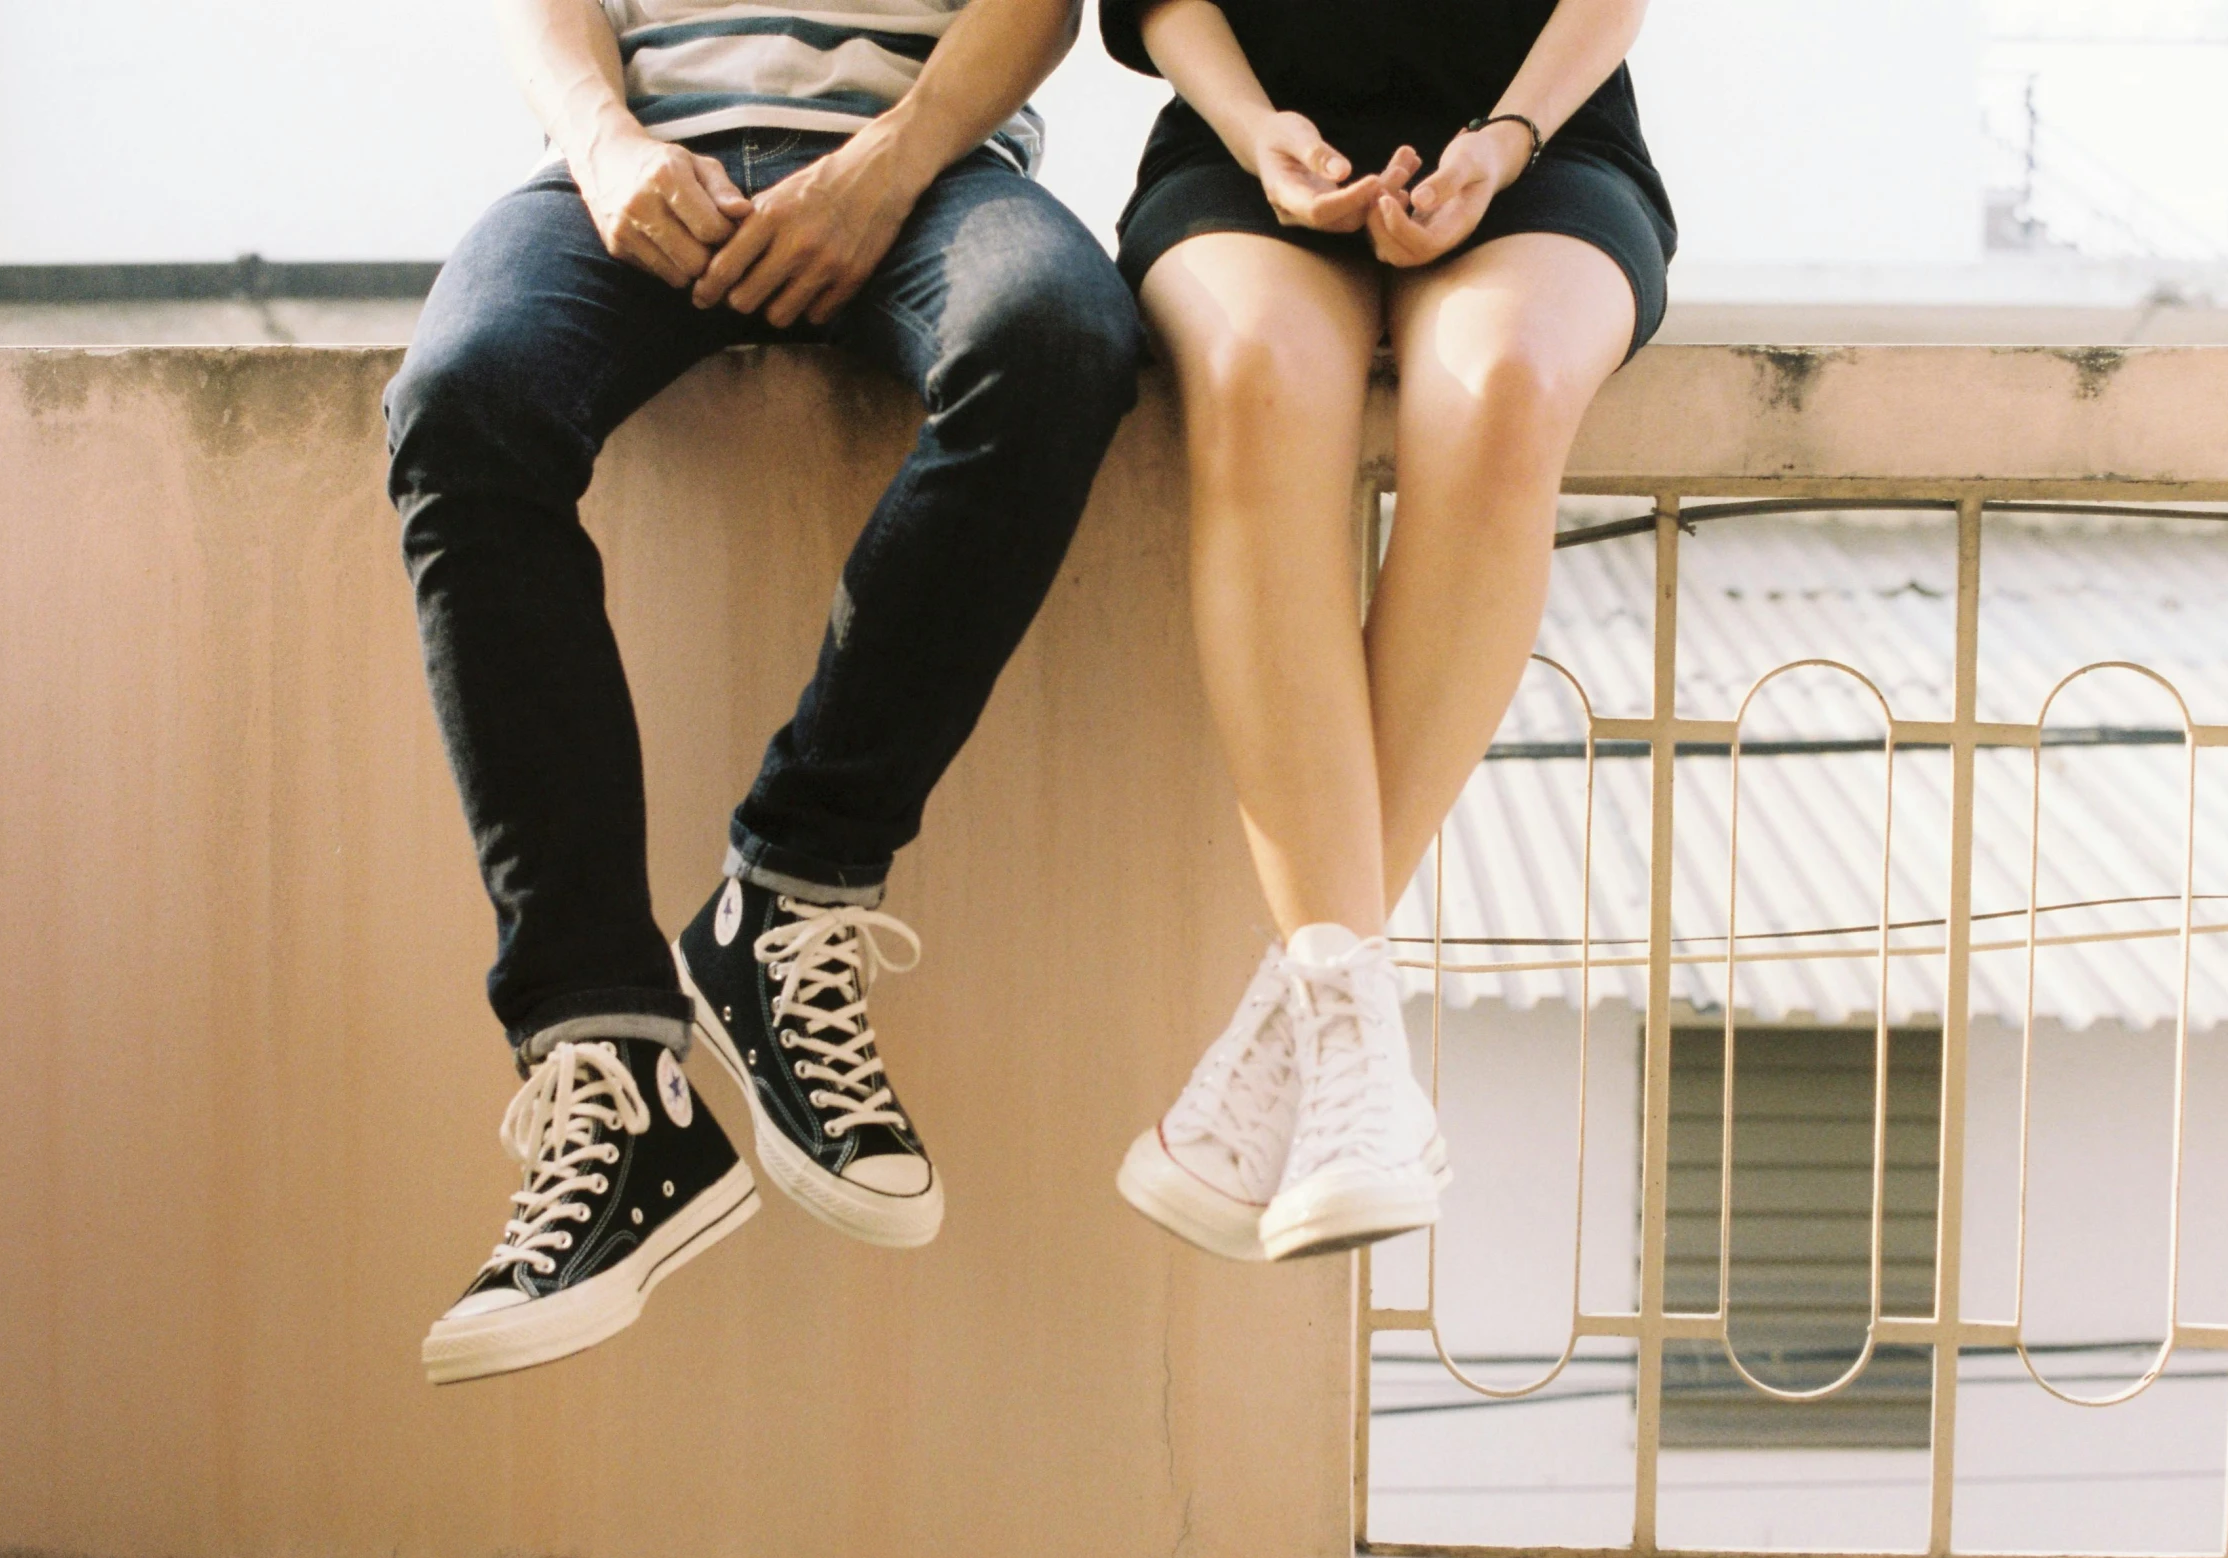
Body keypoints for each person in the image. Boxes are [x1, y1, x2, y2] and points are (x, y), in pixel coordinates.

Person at [385, 0, 1142, 1383]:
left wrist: (892, 158)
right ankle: (610, 1065)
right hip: (630, 170)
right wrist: (608, 145)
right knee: (461, 395)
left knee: (1057, 335)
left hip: (928, 175)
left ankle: (787, 888)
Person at [1101, 0, 1673, 1262]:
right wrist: (1260, 134)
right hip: (1245, 157)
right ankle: (1353, 1052)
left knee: (1506, 385)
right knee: (1254, 369)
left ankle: (1309, 1024)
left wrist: (1502, 140)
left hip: (1543, 149)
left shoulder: (1530, 139)